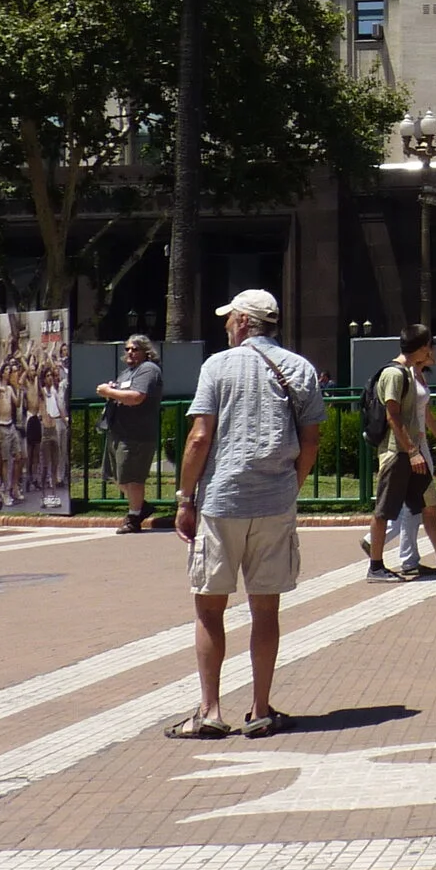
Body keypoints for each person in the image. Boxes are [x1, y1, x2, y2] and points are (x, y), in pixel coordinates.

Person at [170, 289, 324, 740]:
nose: (224, 326)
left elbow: (200, 437)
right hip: (275, 502)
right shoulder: (301, 367)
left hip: (221, 502)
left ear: (241, 321)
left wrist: (184, 498)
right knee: (266, 609)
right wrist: (289, 487)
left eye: (227, 318)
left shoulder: (217, 366)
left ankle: (211, 710)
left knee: (209, 607)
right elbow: (310, 441)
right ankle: (259, 709)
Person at [362, 324, 436, 582]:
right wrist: (411, 451)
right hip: (396, 453)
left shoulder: (410, 373)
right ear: (421, 348)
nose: (431, 351)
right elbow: (392, 416)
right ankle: (376, 566)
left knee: (429, 505)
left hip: (413, 453)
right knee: (384, 510)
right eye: (429, 346)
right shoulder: (394, 374)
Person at [96, 335, 165, 534]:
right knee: (117, 477)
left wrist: (109, 391)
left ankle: (134, 518)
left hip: (137, 434)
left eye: (134, 349)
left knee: (132, 478)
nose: (129, 352)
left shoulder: (148, 370)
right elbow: (124, 393)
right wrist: (114, 389)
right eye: (127, 349)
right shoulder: (128, 372)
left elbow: (136, 397)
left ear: (145, 351)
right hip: (119, 431)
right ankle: (141, 507)